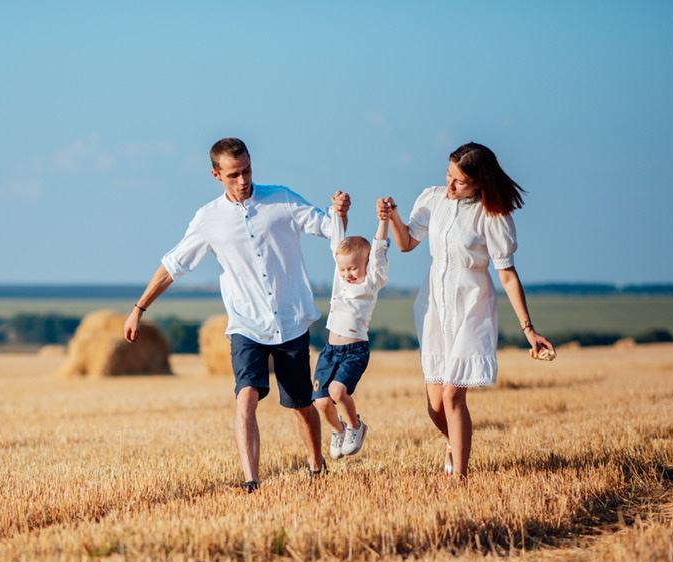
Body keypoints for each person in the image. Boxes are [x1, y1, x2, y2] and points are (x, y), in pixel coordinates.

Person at [123, 137, 351, 493]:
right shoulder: (208, 219)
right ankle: (251, 480)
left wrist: (339, 213)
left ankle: (316, 465)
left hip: (290, 319)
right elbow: (172, 267)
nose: (243, 180)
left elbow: (330, 232)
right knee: (246, 395)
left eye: (246, 171)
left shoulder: (283, 199)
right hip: (246, 324)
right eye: (233, 174)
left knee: (301, 404)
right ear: (216, 175)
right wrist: (139, 309)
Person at [378, 142, 554, 479]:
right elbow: (405, 243)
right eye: (448, 176)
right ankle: (454, 442)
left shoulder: (493, 215)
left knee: (452, 394)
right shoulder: (433, 198)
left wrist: (528, 329)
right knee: (435, 407)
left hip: (472, 305)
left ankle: (460, 477)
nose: (450, 186)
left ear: (478, 182)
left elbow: (507, 274)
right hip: (434, 306)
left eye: (458, 181)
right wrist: (393, 217)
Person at [313, 210, 390, 459]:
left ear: (365, 265)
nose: (347, 274)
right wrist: (336, 212)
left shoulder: (371, 281)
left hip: (354, 351)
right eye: (343, 269)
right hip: (330, 351)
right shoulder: (340, 280)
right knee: (321, 402)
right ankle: (339, 430)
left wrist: (383, 220)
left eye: (353, 268)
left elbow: (378, 251)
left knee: (337, 392)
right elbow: (337, 240)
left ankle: (356, 426)